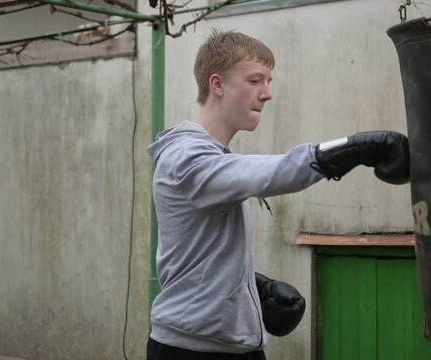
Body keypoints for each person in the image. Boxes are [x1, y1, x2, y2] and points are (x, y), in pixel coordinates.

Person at [146, 30, 409, 360]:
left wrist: (251, 288)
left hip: (232, 347)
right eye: (255, 80)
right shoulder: (185, 158)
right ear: (218, 85)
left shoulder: (211, 157)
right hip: (190, 351)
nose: (267, 93)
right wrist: (358, 149)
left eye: (268, 81)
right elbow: (272, 172)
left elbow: (197, 250)